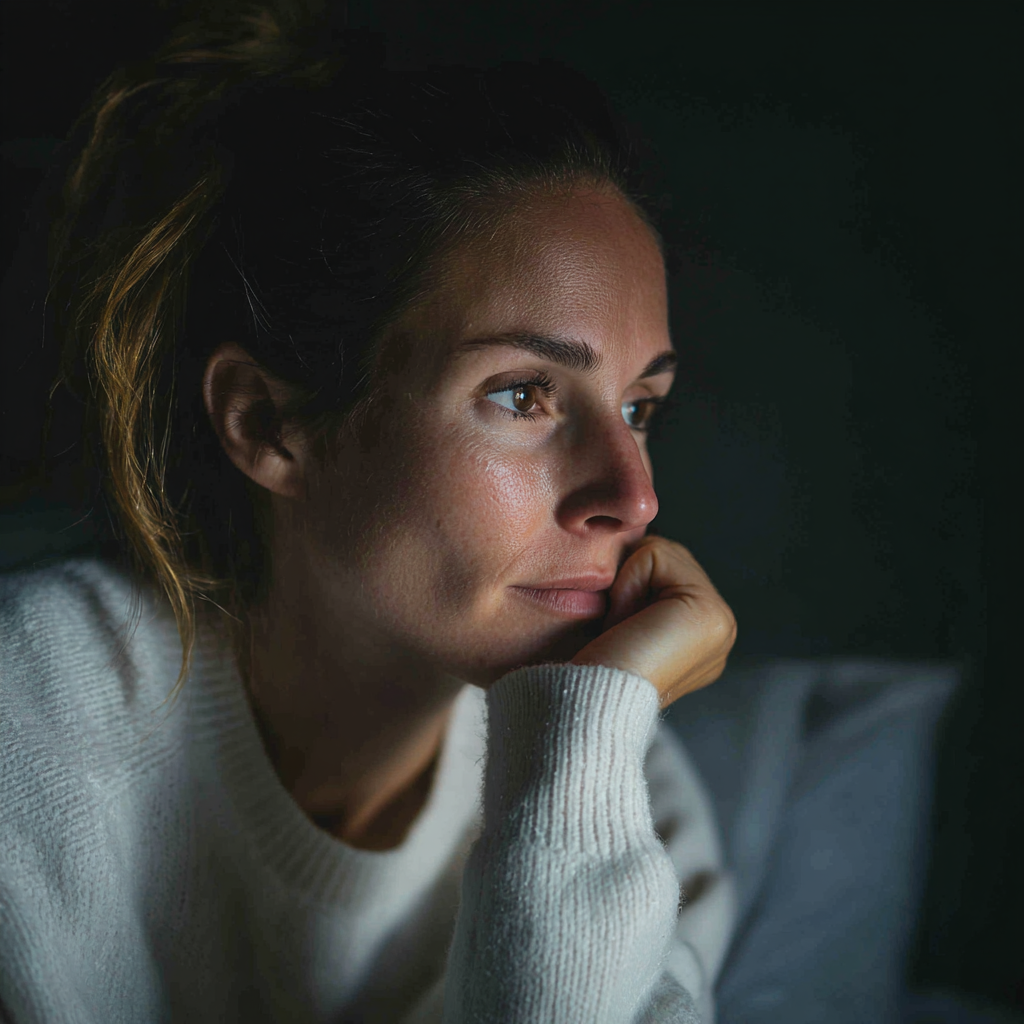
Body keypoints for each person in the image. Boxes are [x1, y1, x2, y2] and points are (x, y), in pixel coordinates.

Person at [0, 7, 739, 1023]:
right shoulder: (30, 716)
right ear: (270, 425)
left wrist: (581, 765)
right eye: (522, 395)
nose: (634, 495)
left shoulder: (621, 787)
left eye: (638, 408)